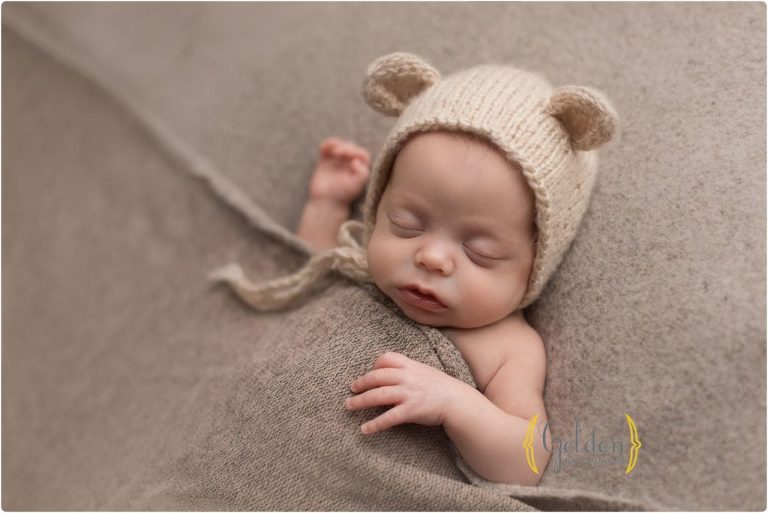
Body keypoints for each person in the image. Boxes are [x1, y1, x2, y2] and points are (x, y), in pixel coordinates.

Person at [210, 52, 618, 486]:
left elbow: (528, 459)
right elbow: (311, 277)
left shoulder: (506, 346)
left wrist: (456, 404)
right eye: (406, 225)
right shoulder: (364, 272)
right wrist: (326, 205)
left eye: (479, 252)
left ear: (537, 264)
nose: (432, 258)